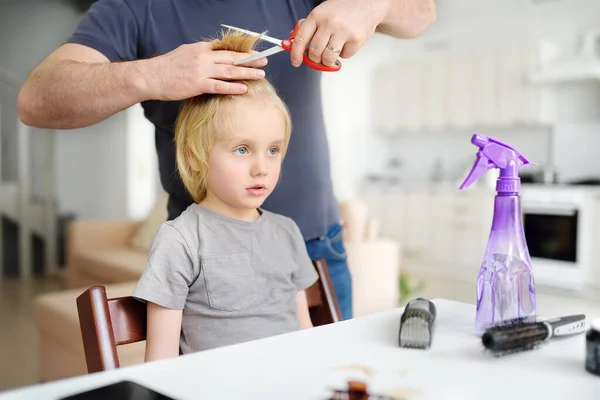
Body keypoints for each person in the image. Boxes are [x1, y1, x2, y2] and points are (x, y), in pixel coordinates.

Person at [16, 0, 436, 320]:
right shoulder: (133, 8)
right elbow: (35, 101)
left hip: (315, 250)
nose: (260, 167)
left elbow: (422, 13)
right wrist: (153, 76)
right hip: (207, 267)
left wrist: (372, 4)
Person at [132, 29, 319, 360]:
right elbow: (158, 364)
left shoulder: (287, 232)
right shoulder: (180, 240)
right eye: (243, 149)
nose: (262, 167)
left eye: (273, 150)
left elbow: (306, 338)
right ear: (194, 155)